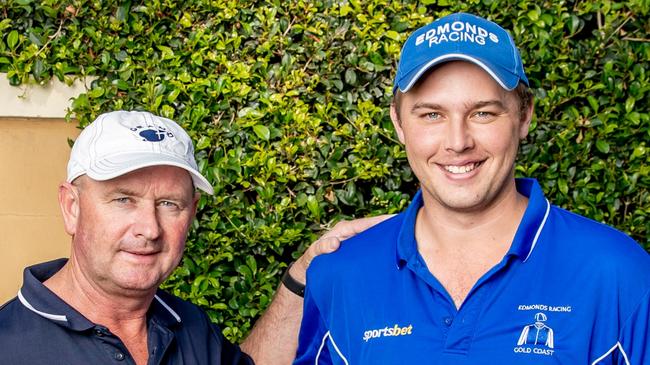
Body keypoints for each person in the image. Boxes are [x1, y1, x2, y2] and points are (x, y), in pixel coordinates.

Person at [294, 12, 650, 364]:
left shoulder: (618, 274)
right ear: (399, 123)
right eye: (432, 114)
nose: (457, 142)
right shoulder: (341, 276)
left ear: (524, 116)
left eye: (483, 113)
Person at [0, 110, 387, 364]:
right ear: (72, 207)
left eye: (169, 203)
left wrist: (304, 271)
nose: (149, 229)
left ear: (192, 212)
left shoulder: (188, 326)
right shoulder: (10, 345)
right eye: (123, 200)